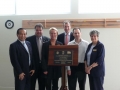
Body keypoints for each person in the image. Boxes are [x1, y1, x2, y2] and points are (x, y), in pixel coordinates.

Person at [26, 23, 49, 90]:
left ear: (43, 31)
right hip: (33, 67)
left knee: (42, 86)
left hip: (43, 67)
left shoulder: (47, 39)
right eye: (37, 30)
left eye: (40, 30)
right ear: (35, 31)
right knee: (31, 85)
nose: (38, 31)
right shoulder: (28, 40)